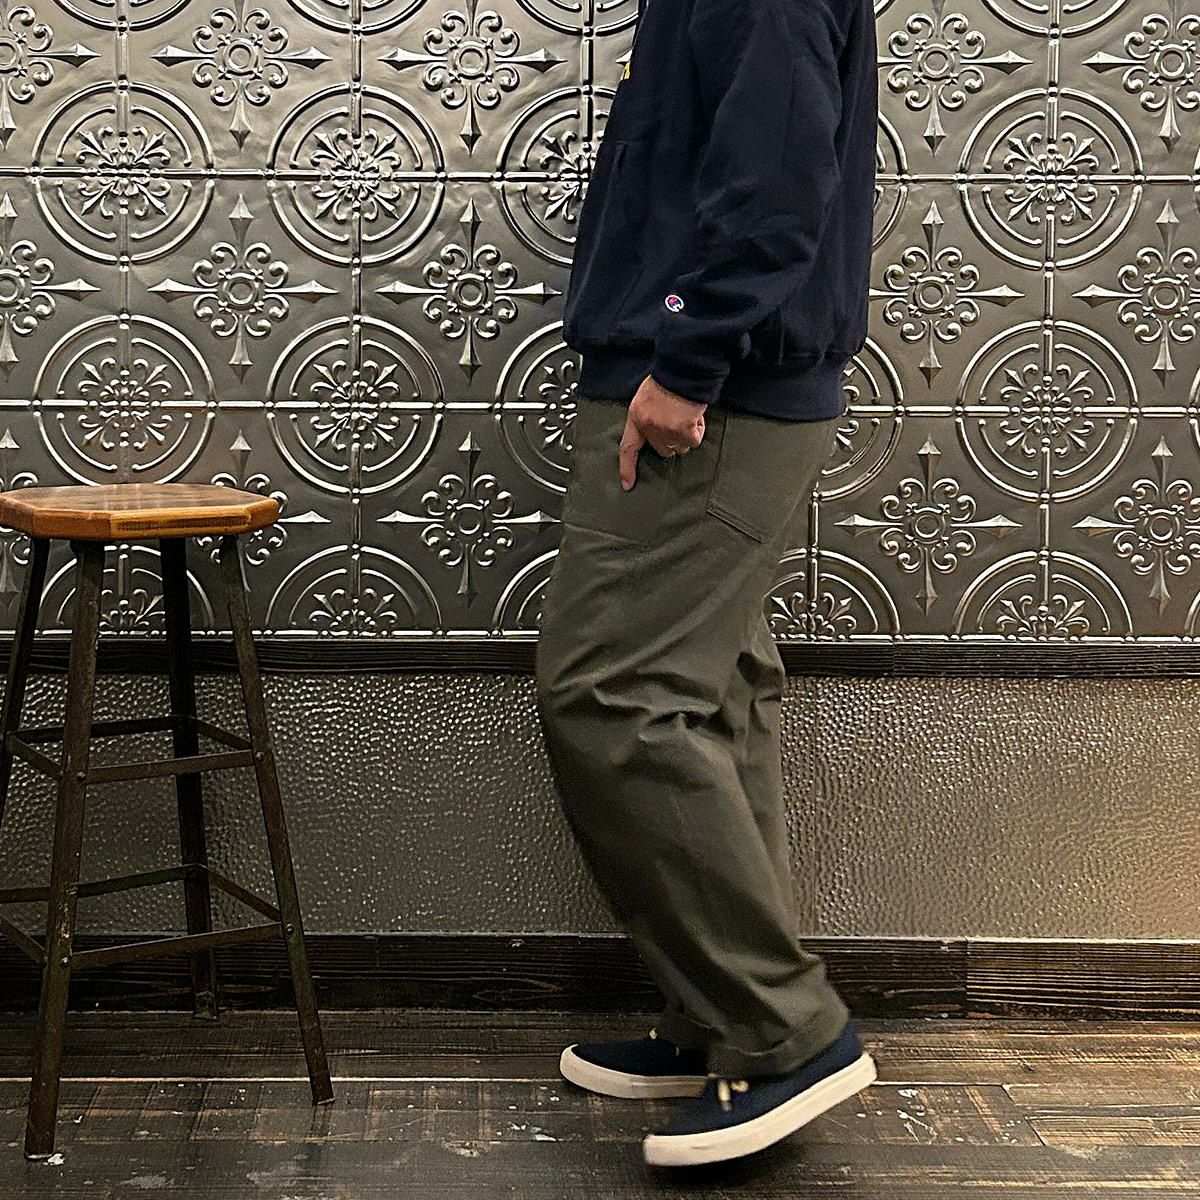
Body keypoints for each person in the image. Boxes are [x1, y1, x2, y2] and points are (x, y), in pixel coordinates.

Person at [534, 0, 880, 1169]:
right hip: (709, 380)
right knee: (716, 696)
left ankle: (786, 1032)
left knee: (614, 692)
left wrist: (688, 360)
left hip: (709, 393)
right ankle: (724, 1017)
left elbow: (775, 176)